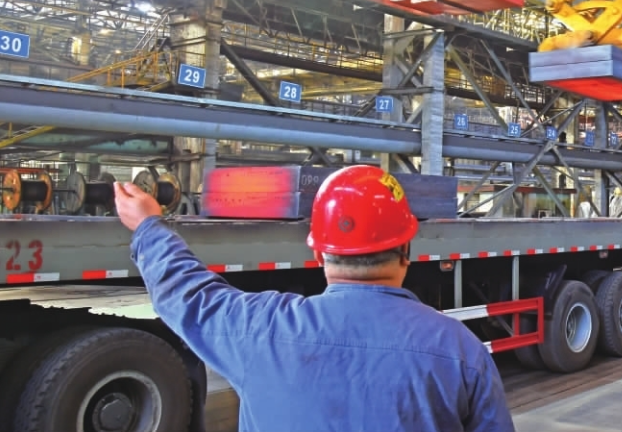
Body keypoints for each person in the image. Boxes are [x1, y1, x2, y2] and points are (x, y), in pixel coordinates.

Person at [116, 165, 515, 432]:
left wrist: (149, 225)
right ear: (406, 250)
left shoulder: (261, 330)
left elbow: (187, 293)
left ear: (319, 254)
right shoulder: (460, 351)